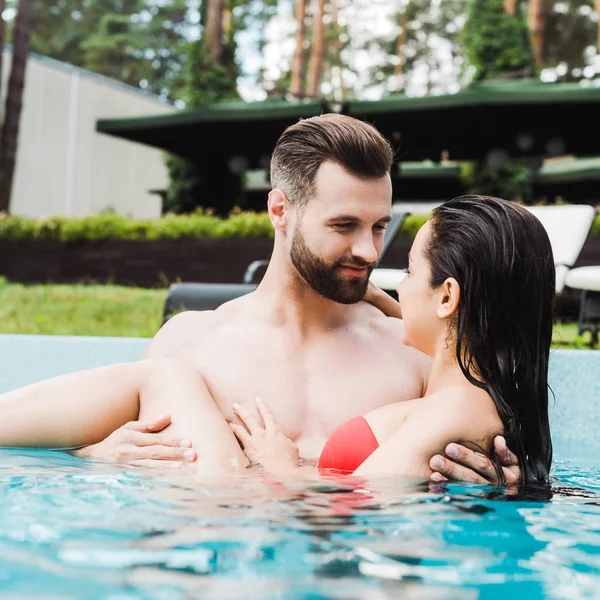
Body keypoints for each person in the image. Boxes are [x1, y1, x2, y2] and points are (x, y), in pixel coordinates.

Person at [0, 115, 520, 484]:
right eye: (343, 225)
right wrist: (94, 456)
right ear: (280, 210)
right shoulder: (190, 341)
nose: (368, 250)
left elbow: (458, 460)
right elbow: (131, 460)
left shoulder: (414, 352)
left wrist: (495, 477)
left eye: (380, 225)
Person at [230, 196, 554, 485]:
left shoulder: (452, 413)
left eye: (409, 270)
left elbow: (358, 515)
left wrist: (279, 467)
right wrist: (367, 293)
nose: (400, 287)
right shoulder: (479, 401)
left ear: (447, 298)